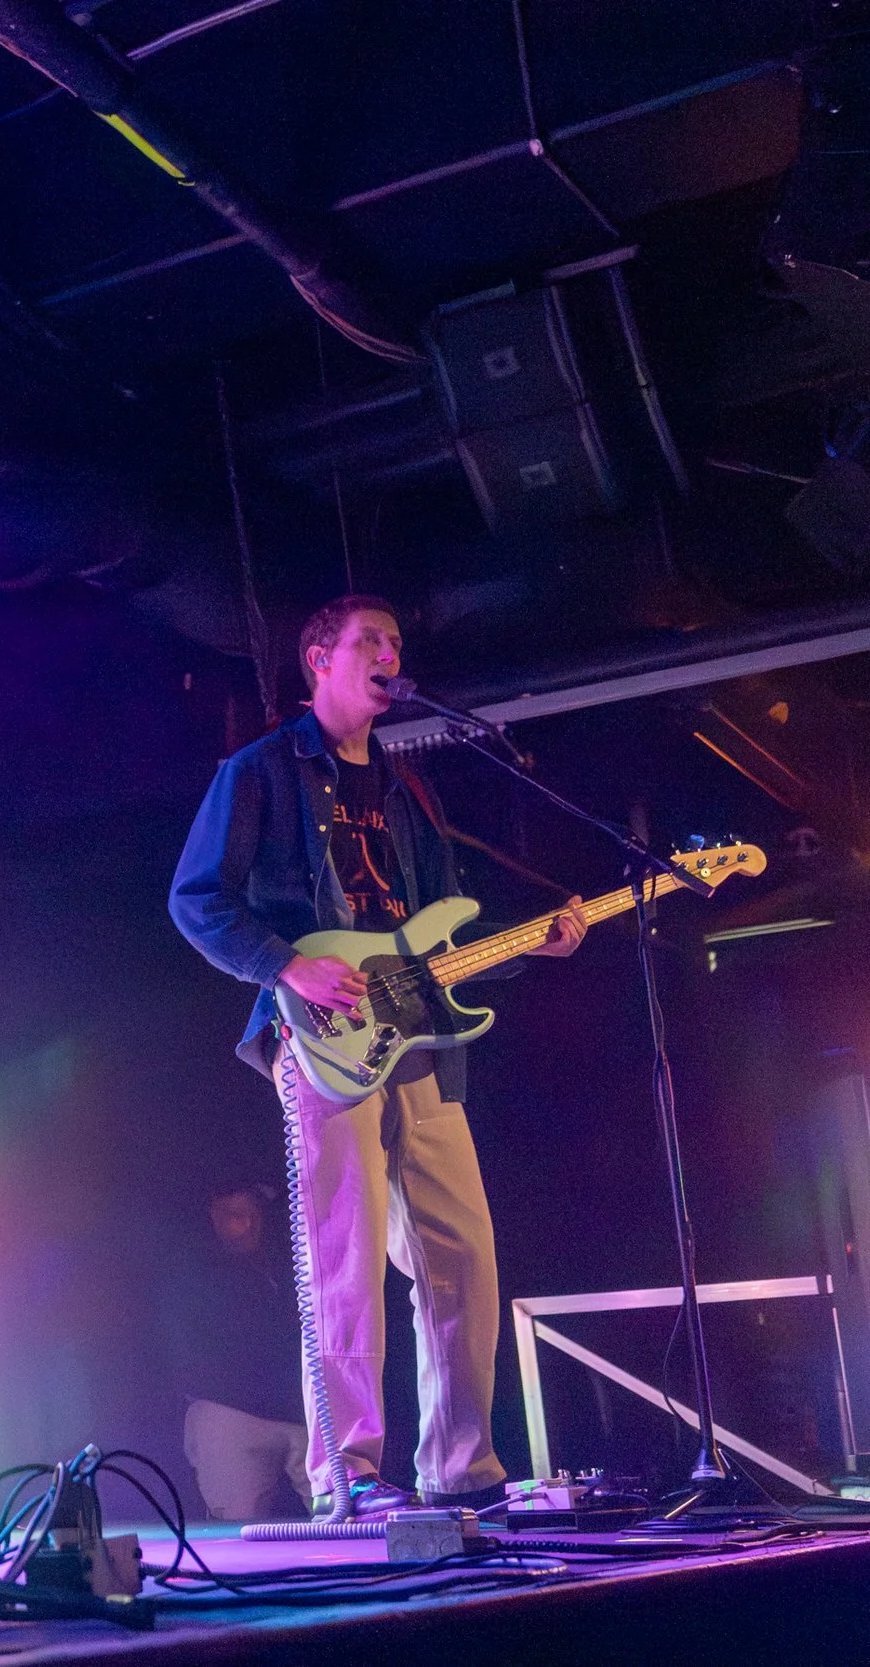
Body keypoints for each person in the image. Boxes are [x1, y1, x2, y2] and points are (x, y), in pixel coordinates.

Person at [167, 595, 585, 1519]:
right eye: (370, 640)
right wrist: (284, 964)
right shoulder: (261, 771)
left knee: (462, 1255)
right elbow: (196, 899)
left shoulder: (408, 791)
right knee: (345, 1264)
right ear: (319, 658)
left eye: (397, 641)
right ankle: (347, 1472)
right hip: (321, 1045)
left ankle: (462, 1468)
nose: (390, 653)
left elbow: (443, 938)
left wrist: (530, 945)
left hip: (419, 1043)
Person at [163, 1180, 307, 1521]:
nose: (247, 1224)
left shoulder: (291, 1259)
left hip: (306, 1413)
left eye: (254, 1213)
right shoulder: (194, 1271)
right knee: (237, 1529)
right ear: (213, 1217)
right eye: (234, 1214)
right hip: (230, 1413)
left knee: (344, 1518)